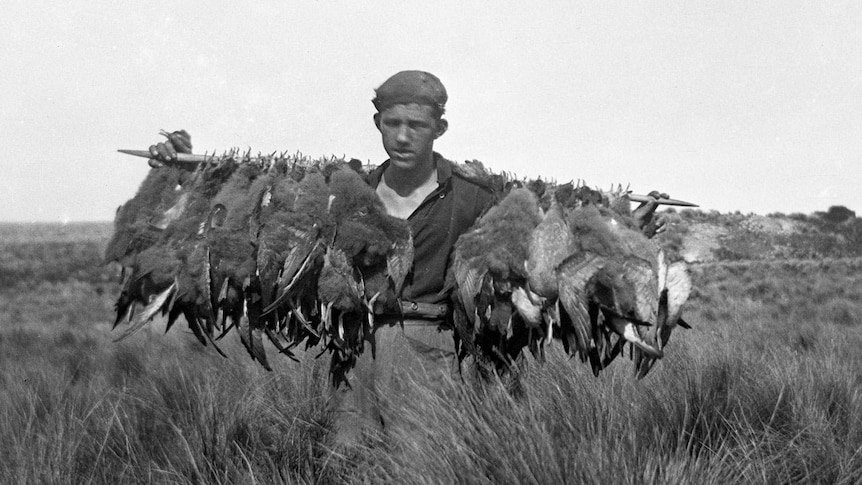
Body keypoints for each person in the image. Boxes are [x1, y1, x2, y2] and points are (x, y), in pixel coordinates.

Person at [147, 70, 666, 446]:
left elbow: (542, 263)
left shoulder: (476, 198)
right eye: (391, 122)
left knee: (426, 462)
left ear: (440, 127)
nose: (401, 136)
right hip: (354, 353)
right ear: (377, 123)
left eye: (415, 124)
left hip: (436, 354)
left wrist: (622, 229)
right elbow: (251, 229)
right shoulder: (349, 194)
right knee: (346, 461)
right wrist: (186, 170)